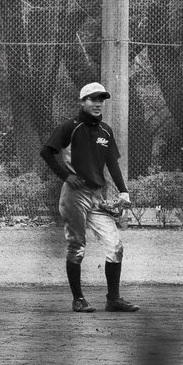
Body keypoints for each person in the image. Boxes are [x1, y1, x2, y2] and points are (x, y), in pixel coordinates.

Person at [39, 80, 136, 313]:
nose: (98, 103)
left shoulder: (106, 131)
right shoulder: (70, 127)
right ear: (82, 102)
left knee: (115, 245)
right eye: (93, 99)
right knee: (77, 246)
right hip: (74, 195)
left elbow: (111, 163)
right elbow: (46, 152)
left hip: (97, 196)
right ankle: (78, 299)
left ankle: (113, 299)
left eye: (101, 99)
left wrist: (123, 191)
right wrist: (65, 176)